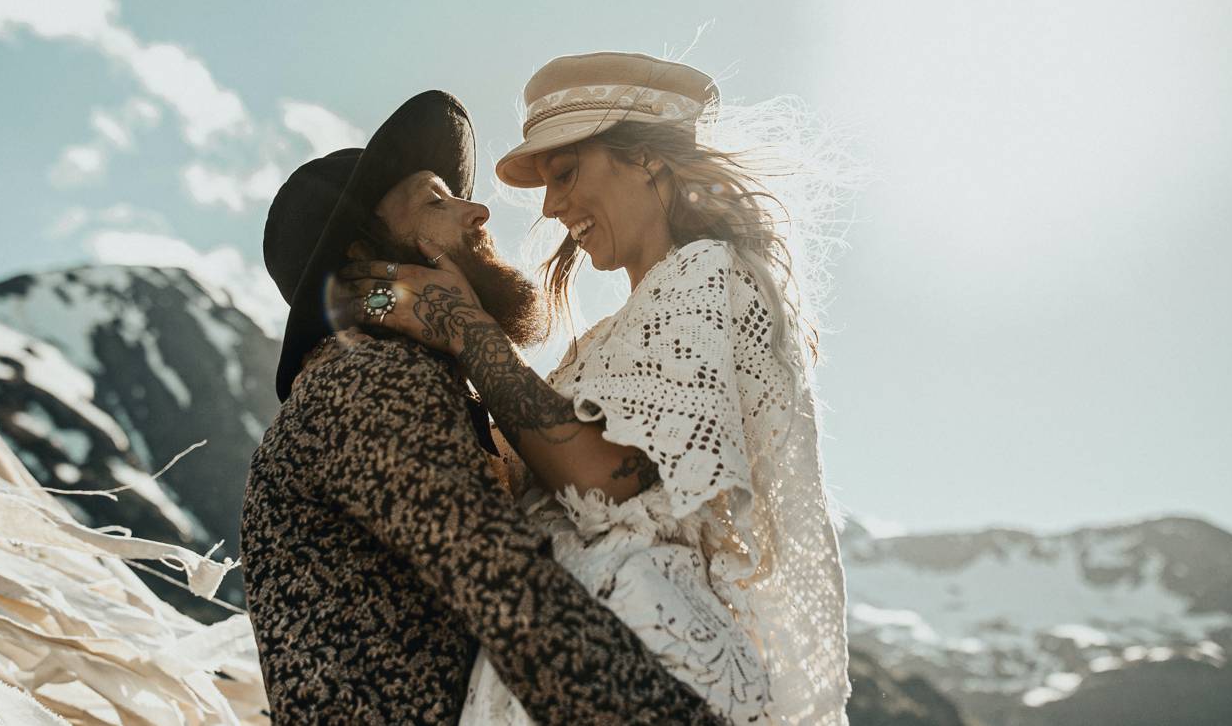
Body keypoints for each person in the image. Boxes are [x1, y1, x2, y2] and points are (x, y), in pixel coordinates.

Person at [343, 54, 851, 725]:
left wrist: (467, 328)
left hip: (648, 669)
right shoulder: (604, 341)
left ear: (647, 158)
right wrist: (378, 298)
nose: (550, 206)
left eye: (565, 172)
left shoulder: (708, 274)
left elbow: (612, 480)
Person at [240, 90, 726, 724]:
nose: (478, 211)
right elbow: (514, 600)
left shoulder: (411, 381)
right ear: (369, 262)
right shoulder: (365, 384)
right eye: (437, 203)